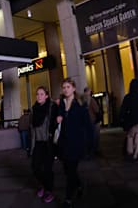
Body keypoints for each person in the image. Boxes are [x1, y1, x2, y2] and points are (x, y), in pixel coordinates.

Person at [56, 78, 88, 208]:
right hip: (64, 144)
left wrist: (88, 144)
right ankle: (79, 185)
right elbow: (59, 118)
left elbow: (87, 126)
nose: (65, 89)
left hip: (76, 143)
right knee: (68, 170)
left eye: (68, 87)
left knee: (71, 171)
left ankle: (68, 198)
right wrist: (58, 118)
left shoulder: (80, 104)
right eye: (64, 87)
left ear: (73, 88)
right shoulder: (62, 104)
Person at [31, 86, 57, 204]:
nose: (39, 96)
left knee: (47, 169)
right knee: (35, 167)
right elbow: (31, 128)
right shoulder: (34, 109)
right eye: (37, 94)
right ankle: (43, 184)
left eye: (41, 94)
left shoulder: (51, 107)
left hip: (48, 142)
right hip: (37, 142)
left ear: (46, 96)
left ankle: (49, 190)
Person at [119, 79, 138, 162]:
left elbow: (123, 109)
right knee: (137, 138)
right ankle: (136, 154)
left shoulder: (127, 97)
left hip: (130, 120)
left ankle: (130, 151)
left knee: (130, 136)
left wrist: (122, 118)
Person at [82, 87, 101, 159]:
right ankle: (92, 152)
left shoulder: (81, 99)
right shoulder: (91, 99)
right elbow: (96, 110)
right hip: (92, 120)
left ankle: (86, 152)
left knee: (86, 137)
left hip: (84, 122)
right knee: (94, 137)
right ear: (88, 92)